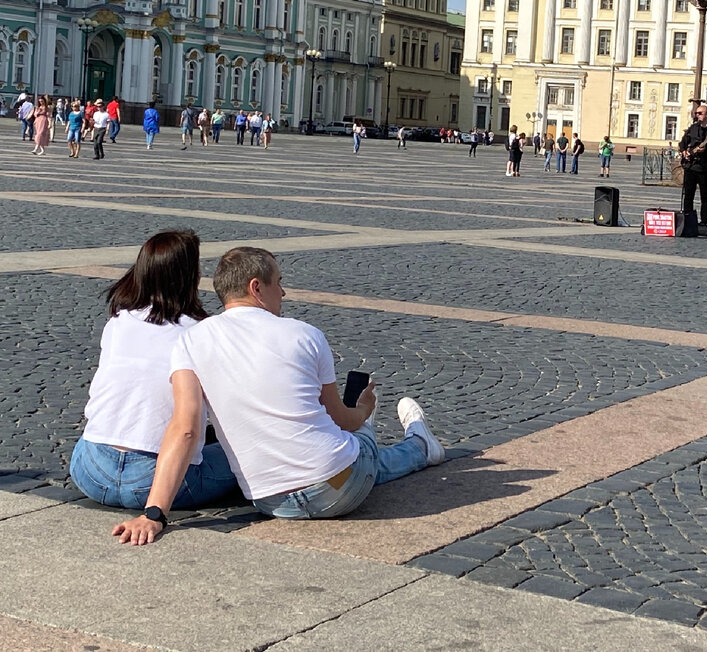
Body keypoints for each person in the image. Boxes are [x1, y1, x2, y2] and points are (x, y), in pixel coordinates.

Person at [111, 247, 444, 544]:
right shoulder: (305, 334)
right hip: (339, 487)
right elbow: (342, 420)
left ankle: (409, 443)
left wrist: (153, 514)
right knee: (363, 441)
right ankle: (419, 444)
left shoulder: (190, 341)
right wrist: (364, 411)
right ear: (256, 287)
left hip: (269, 501)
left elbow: (185, 428)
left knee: (343, 445)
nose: (283, 292)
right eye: (279, 283)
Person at [70, 231, 239, 511]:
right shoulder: (201, 333)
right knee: (242, 455)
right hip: (152, 481)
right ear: (190, 277)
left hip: (90, 470)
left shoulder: (119, 319)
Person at [679, 104, 707, 227]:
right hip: (690, 166)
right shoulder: (693, 128)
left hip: (705, 168)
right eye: (696, 113)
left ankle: (703, 221)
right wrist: (684, 151)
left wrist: (706, 152)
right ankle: (687, 219)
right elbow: (683, 143)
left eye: (700, 113)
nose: (697, 115)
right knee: (688, 195)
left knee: (705, 196)